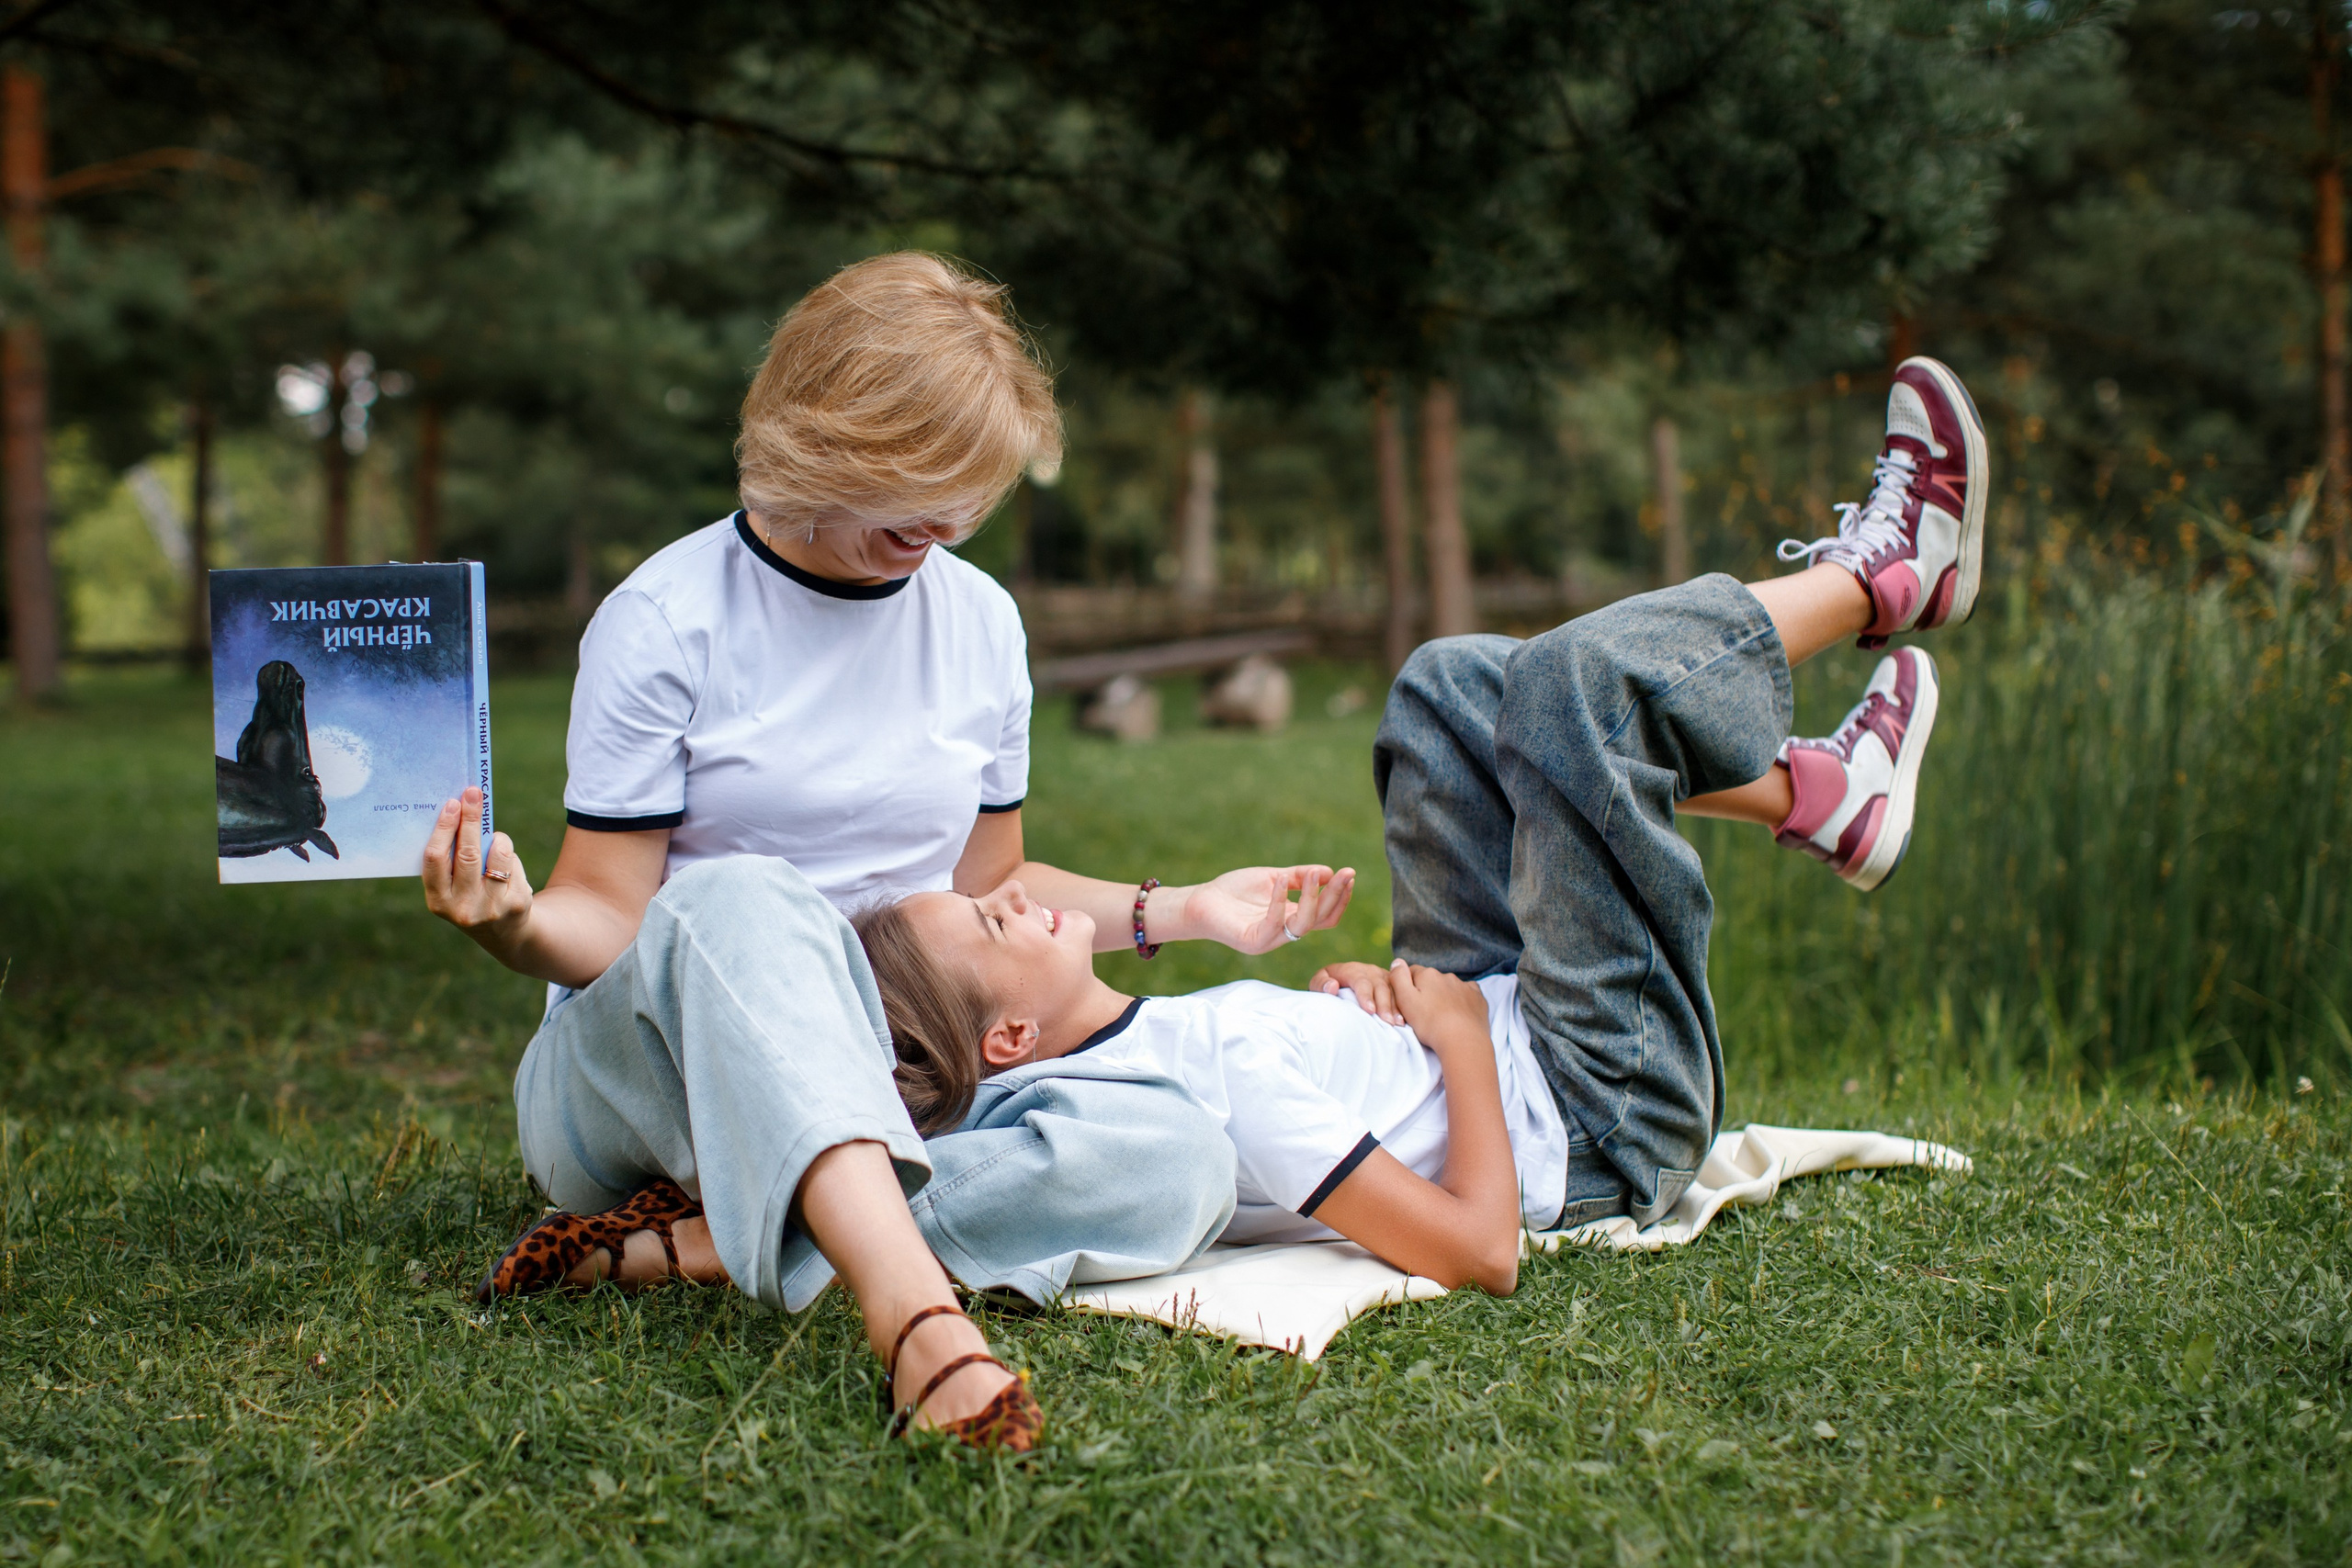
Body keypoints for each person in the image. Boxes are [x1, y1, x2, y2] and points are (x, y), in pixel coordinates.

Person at [424, 253, 1357, 1451]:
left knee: (1174, 1159)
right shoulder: (666, 619)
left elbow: (989, 888)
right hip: (649, 1071)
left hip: (909, 1063)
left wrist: (1189, 909)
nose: (948, 527)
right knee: (753, 898)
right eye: (917, 490)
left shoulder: (977, 621)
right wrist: (512, 923)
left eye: (972, 496)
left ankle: (722, 1234)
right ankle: (914, 1316)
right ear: (824, 442)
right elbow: (605, 911)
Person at [853, 357, 1985, 1289]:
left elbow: (1331, 1105)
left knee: (1444, 687)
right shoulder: (1203, 1088)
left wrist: (1372, 1022)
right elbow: (1480, 1251)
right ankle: (1881, 580)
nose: (1006, 892)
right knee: (1573, 689)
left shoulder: (1151, 1053)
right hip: (1599, 1108)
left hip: (1493, 1025)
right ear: (1006, 1044)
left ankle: (1824, 797)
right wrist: (1450, 1047)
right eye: (992, 925)